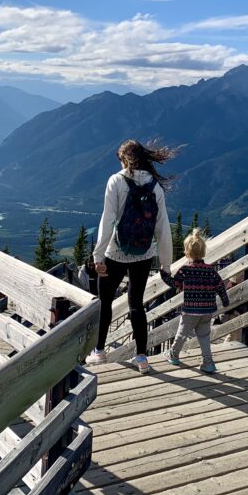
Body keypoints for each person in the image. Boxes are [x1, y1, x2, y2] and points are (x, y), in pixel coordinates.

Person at [86, 140, 175, 374]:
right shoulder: (154, 186)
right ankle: (142, 357)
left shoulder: (116, 181)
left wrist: (98, 256)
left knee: (105, 303)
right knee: (136, 304)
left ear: (124, 158)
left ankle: (99, 351)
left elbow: (108, 220)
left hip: (115, 251)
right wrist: (166, 263)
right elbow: (162, 227)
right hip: (144, 254)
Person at [161, 229, 229, 373]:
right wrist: (225, 301)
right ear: (203, 252)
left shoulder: (185, 269)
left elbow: (175, 284)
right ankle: (208, 362)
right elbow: (220, 285)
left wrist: (163, 274)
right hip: (207, 311)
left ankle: (173, 355)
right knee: (204, 337)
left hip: (190, 310)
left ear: (187, 252)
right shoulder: (211, 270)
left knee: (182, 334)